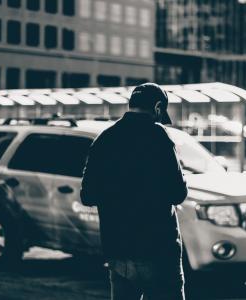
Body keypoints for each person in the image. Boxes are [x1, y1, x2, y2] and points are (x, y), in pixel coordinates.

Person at [80, 82, 188, 300]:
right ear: (157, 108)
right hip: (158, 251)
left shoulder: (104, 139)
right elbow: (178, 193)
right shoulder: (159, 138)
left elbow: (87, 195)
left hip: (118, 252)